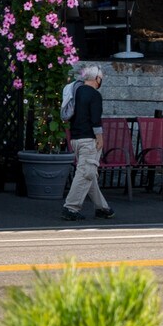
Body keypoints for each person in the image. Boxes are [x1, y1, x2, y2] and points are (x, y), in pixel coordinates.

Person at [61, 65, 114, 221]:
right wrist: (100, 138)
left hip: (75, 139)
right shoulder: (94, 95)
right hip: (88, 139)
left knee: (89, 173)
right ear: (96, 78)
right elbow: (95, 119)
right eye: (101, 78)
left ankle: (102, 208)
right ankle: (71, 207)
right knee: (86, 173)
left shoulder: (75, 91)